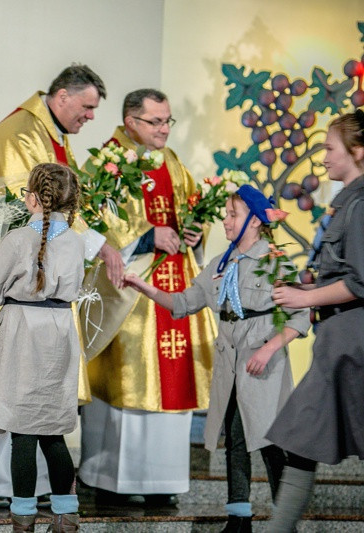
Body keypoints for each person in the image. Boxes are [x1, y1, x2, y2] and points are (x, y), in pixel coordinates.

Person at [0, 64, 123, 506]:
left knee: (17, 422)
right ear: (63, 96)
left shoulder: (47, 140)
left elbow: (8, 264)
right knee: (34, 416)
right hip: (51, 325)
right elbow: (7, 208)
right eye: (86, 107)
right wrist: (99, 244)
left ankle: (16, 501)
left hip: (17, 314)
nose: (89, 117)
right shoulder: (21, 134)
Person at [123, 184, 310, 532]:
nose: (225, 221)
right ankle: (239, 519)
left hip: (263, 363)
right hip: (231, 364)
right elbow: (183, 303)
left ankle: (286, 521)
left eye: (232, 215)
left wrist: (269, 348)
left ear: (254, 221)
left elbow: (300, 318)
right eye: (226, 214)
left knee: (270, 441)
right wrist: (144, 288)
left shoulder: (275, 262)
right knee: (235, 439)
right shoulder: (220, 263)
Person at [79, 88, 216, 504]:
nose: (164, 129)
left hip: (175, 286)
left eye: (168, 121)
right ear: (130, 121)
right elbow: (87, 220)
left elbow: (191, 208)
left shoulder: (172, 161)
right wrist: (143, 237)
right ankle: (107, 479)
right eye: (156, 122)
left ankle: (163, 482)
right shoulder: (106, 161)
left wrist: (195, 230)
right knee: (128, 380)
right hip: (132, 294)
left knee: (173, 381)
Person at [0, 163, 85, 532]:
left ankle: (24, 517)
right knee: (53, 429)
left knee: (23, 431)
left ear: (32, 198)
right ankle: (66, 515)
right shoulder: (75, 241)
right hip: (60, 331)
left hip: (24, 335)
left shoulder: (16, 239)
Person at [265, 111, 364, 532]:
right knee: (302, 438)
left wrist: (305, 296)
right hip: (337, 344)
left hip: (351, 346)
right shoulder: (347, 201)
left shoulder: (360, 205)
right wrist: (303, 282)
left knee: (301, 435)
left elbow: (360, 282)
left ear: (357, 152)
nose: (321, 158)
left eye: (329, 148)